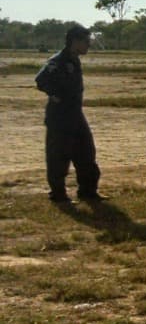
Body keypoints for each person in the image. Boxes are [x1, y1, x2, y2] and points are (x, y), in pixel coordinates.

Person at [34, 24, 103, 204]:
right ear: (75, 41)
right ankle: (58, 194)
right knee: (59, 155)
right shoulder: (58, 60)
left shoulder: (74, 60)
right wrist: (55, 95)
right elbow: (40, 80)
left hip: (75, 114)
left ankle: (88, 191)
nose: (88, 45)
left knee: (86, 152)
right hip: (60, 116)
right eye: (86, 42)